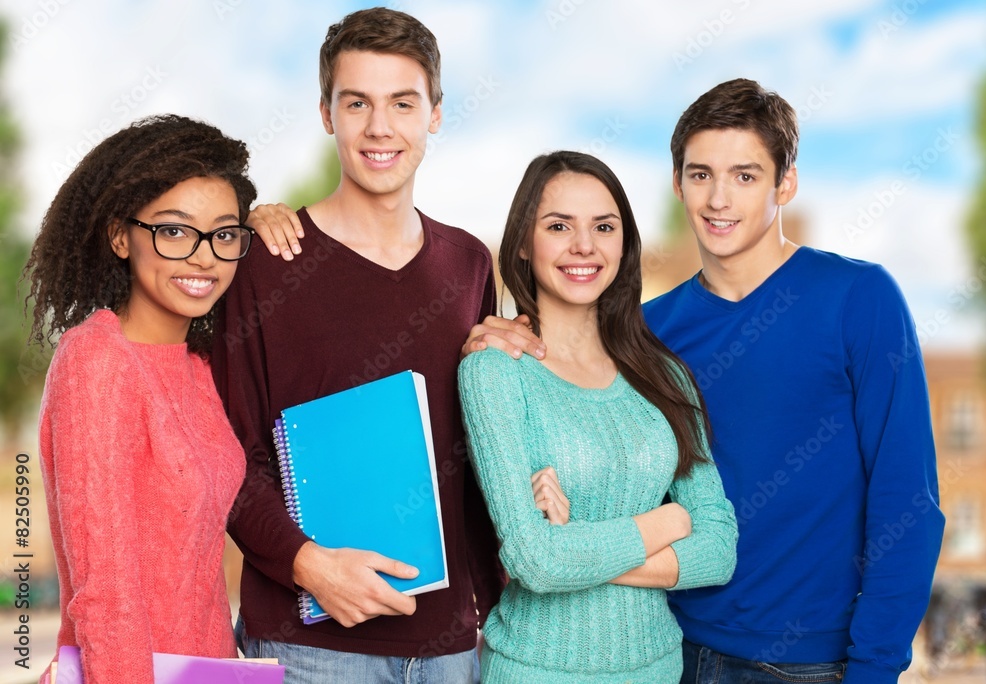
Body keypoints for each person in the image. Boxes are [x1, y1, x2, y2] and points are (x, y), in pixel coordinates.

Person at [465, 79, 945, 684]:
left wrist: (875, 669)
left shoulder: (858, 299)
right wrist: (495, 336)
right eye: (700, 175)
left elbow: (909, 502)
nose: (719, 199)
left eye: (745, 175)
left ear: (785, 184)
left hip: (814, 662)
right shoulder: (647, 337)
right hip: (673, 651)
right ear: (678, 184)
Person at [211, 8, 505, 683]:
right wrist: (307, 564)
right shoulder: (264, 262)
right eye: (357, 103)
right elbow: (229, 452)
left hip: (452, 650)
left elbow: (479, 446)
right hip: (309, 649)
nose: (380, 127)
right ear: (326, 114)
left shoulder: (469, 264)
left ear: (434, 112)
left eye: (402, 102)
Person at [457, 151, 737, 683]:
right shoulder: (494, 372)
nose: (583, 246)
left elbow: (719, 550)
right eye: (559, 226)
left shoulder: (665, 378)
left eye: (603, 227)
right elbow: (534, 563)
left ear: (624, 244)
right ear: (522, 241)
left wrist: (577, 545)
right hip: (535, 669)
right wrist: (666, 523)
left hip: (657, 669)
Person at [24, 114, 258, 682]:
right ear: (120, 236)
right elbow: (104, 592)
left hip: (211, 670)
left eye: (224, 234)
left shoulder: (198, 368)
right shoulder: (97, 360)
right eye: (175, 231)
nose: (204, 257)